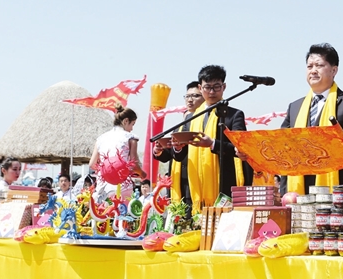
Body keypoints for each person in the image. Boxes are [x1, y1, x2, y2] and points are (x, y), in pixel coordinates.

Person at [282, 43, 343, 193]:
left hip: (338, 185)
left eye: (318, 65)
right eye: (309, 66)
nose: (313, 71)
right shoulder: (295, 107)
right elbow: (282, 141)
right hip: (299, 187)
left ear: (334, 70)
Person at [166, 65, 249, 213]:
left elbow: (241, 149)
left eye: (216, 87)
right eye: (207, 87)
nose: (211, 92)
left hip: (224, 186)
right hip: (195, 188)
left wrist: (212, 144)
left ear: (224, 87)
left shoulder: (234, 115)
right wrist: (177, 148)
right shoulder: (191, 118)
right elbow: (180, 157)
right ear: (200, 87)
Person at [153, 81, 205, 211]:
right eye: (187, 96)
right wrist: (159, 151)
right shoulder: (179, 126)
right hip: (178, 182)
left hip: (199, 180)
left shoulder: (207, 122)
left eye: (195, 96)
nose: (190, 100)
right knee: (178, 217)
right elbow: (170, 156)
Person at [89, 106, 147, 202]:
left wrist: (107, 171)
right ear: (125, 121)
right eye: (132, 124)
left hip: (103, 186)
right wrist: (142, 173)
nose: (132, 128)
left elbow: (92, 164)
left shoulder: (101, 138)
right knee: (123, 215)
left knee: (105, 214)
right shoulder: (131, 137)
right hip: (122, 185)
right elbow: (134, 165)